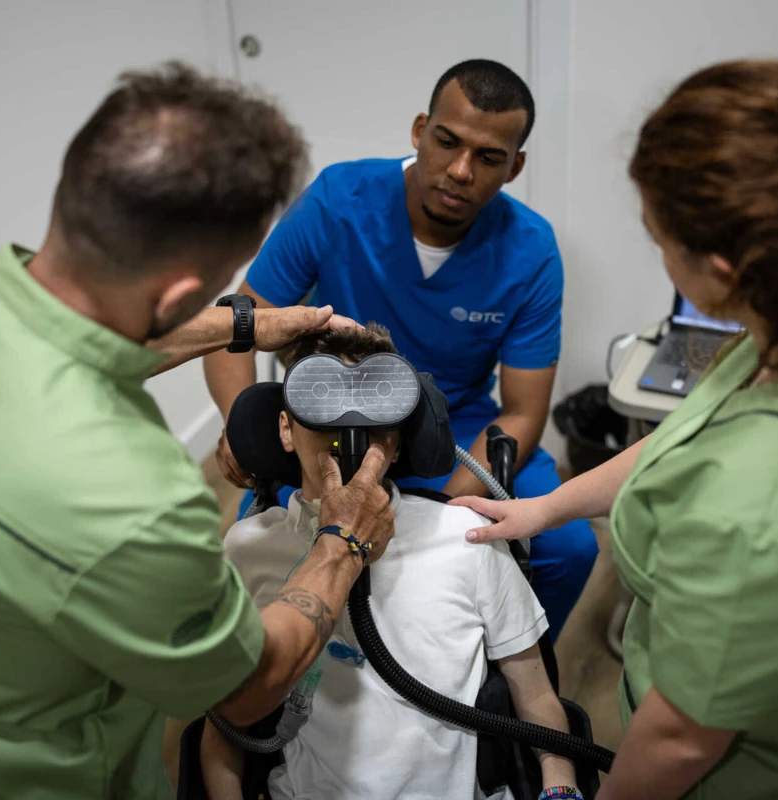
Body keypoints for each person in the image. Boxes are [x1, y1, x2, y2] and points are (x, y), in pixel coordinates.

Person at [0, 63, 396, 800]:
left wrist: (250, 322)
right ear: (183, 292)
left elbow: (61, 334)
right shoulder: (135, 501)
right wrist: (343, 542)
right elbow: (249, 690)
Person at [453, 59, 778, 799]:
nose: (658, 253)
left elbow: (682, 738)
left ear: (720, 269)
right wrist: (543, 508)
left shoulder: (758, 516)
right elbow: (687, 432)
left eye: (658, 239)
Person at [204, 58, 598, 641]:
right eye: (447, 142)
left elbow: (521, 412)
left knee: (567, 547)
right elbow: (235, 328)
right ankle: (272, 698)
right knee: (260, 539)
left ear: (514, 167)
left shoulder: (531, 249)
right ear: (419, 130)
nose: (460, 171)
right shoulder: (340, 199)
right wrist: (246, 429)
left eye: (488, 158)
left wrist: (435, 510)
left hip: (456, 427)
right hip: (329, 416)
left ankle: (492, 682)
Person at [201, 324, 580, 800]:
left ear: (399, 439)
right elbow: (221, 723)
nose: (349, 433)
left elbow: (538, 697)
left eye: (376, 417)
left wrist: (561, 786)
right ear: (285, 428)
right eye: (321, 405)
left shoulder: (466, 538)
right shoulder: (248, 548)